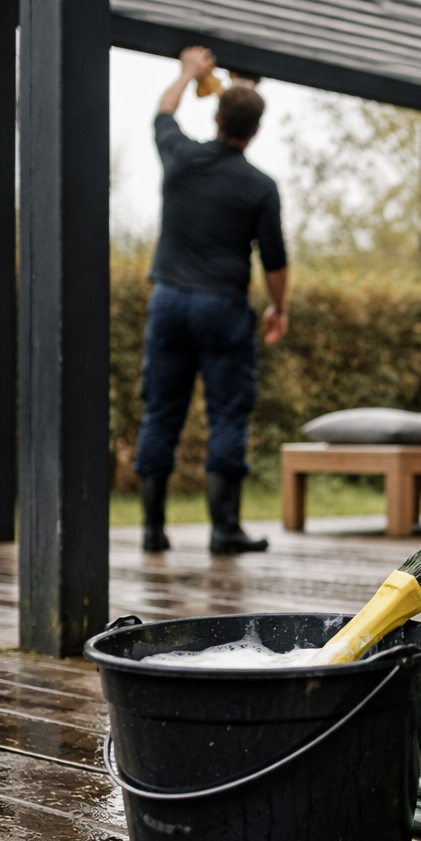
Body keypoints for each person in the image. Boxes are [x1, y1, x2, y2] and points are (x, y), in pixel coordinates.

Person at [133, 47, 289, 555]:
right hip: (223, 308)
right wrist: (279, 307)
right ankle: (224, 530)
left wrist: (187, 74)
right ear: (255, 130)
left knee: (161, 412)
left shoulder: (180, 158)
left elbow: (163, 112)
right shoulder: (260, 187)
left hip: (170, 302)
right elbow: (275, 261)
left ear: (216, 116)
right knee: (227, 414)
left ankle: (153, 530)